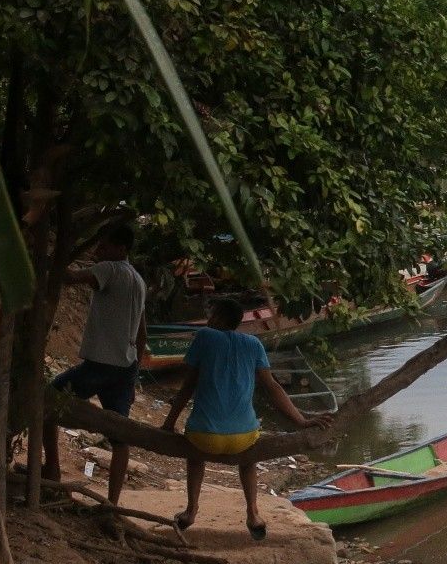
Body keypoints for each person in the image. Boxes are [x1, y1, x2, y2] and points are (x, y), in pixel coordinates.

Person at [161, 297, 330, 538]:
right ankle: (253, 513)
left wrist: (168, 424)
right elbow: (273, 387)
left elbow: (188, 386)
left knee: (195, 457)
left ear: (218, 317)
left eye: (211, 313)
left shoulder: (205, 337)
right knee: (248, 460)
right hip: (243, 438)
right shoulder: (254, 344)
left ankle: (190, 511)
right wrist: (301, 420)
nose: (208, 318)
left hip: (204, 438)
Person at [49, 222, 148, 496]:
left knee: (47, 402)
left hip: (100, 365)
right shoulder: (138, 282)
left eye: (104, 245)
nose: (99, 250)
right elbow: (142, 334)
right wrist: (135, 375)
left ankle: (52, 469)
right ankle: (112, 502)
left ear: (121, 248)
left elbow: (69, 278)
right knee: (120, 437)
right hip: (125, 366)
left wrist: (48, 257)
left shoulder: (109, 269)